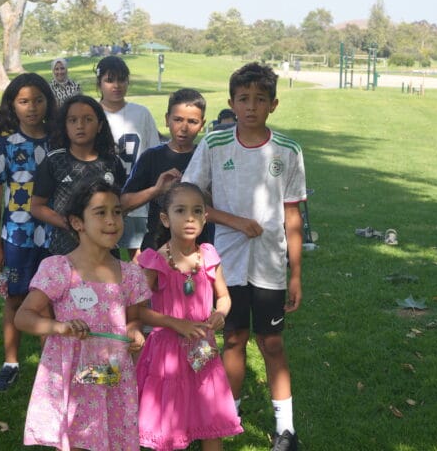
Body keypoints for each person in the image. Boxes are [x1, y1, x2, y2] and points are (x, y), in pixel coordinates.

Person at [183, 62, 306, 451]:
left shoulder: (288, 150)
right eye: (243, 99)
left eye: (259, 99)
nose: (251, 106)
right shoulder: (215, 144)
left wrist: (296, 273)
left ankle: (285, 429)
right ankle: (228, 416)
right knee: (233, 339)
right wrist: (232, 220)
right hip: (227, 264)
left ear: (273, 104)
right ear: (231, 102)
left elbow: (292, 215)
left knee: (271, 343)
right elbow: (193, 197)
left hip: (271, 265)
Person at [15, 178, 150, 450]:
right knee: (77, 438)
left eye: (117, 212)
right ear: (77, 222)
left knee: (113, 437)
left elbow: (136, 318)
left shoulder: (131, 273)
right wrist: (59, 327)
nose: (111, 220)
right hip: (72, 377)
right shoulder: (60, 269)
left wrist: (134, 331)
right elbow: (23, 316)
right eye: (100, 213)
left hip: (112, 375)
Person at [136, 182, 242, 450]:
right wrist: (174, 323)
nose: (190, 218)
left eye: (197, 211)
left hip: (202, 350)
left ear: (206, 217)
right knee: (168, 422)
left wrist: (220, 312)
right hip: (166, 355)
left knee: (211, 419)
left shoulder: (208, 255)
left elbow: (225, 296)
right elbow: (136, 309)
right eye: (180, 210)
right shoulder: (156, 262)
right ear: (165, 218)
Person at [0, 72, 55, 392]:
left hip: (54, 237)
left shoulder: (59, 141)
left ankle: (51, 365)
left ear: (48, 103)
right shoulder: (4, 146)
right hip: (18, 238)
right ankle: (11, 363)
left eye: (38, 100)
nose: (32, 107)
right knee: (15, 298)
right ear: (13, 105)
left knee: (51, 299)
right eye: (24, 101)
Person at [31, 94, 126, 256]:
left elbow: (122, 202)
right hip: (65, 248)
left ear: (100, 126)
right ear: (65, 126)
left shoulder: (112, 162)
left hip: (104, 250)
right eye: (73, 120)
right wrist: (68, 223)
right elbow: (36, 206)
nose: (80, 126)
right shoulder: (54, 161)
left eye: (88, 119)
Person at [121, 88, 207, 253]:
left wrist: (194, 188)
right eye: (178, 119)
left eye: (192, 122)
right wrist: (157, 190)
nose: (184, 127)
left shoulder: (206, 156)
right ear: (167, 120)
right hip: (156, 247)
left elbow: (221, 202)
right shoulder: (152, 157)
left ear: (202, 124)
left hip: (197, 250)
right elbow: (123, 203)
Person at [96, 55, 160, 259]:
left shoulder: (141, 114)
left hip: (138, 199)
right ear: (99, 83)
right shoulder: (91, 113)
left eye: (121, 79)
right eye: (110, 80)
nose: (116, 85)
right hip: (101, 197)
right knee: (103, 258)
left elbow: (154, 154)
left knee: (139, 259)